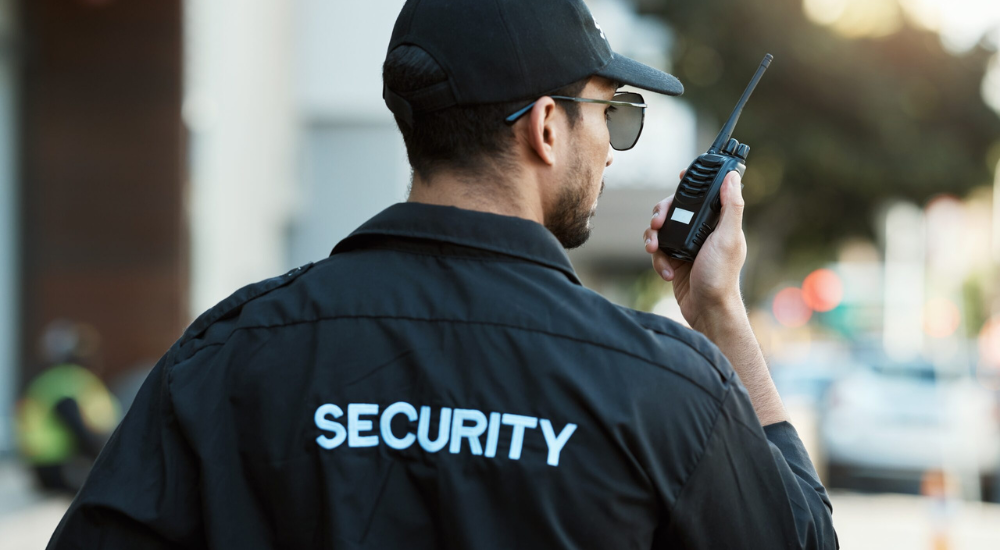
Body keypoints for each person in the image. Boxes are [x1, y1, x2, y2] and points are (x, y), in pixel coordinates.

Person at [48, 0, 837, 548]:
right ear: (548, 126)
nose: (608, 147)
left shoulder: (229, 356)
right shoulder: (663, 388)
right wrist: (723, 321)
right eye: (612, 114)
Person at [16, 320, 121, 494]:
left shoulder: (49, 380)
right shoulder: (69, 382)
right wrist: (109, 461)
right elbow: (78, 428)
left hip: (43, 467)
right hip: (62, 466)